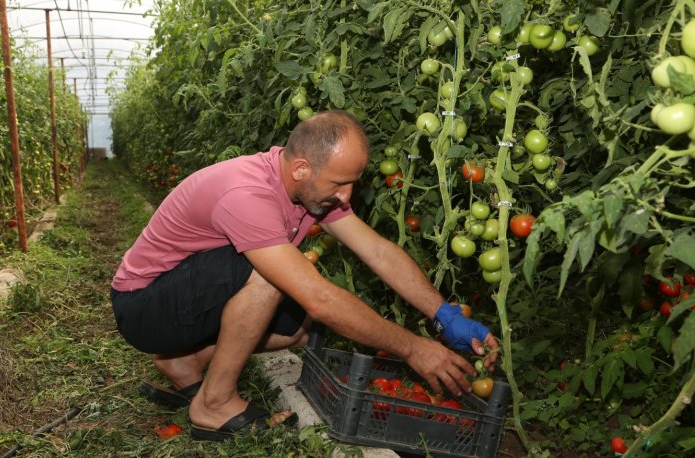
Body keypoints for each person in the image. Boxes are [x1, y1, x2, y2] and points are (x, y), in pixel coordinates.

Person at [110, 110, 499, 441]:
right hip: (144, 306)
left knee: (296, 328)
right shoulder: (247, 194)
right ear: (301, 168)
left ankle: (185, 362)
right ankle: (213, 405)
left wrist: (444, 315)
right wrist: (413, 348)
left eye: (352, 184)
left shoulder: (311, 190)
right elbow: (319, 296)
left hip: (182, 294)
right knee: (273, 278)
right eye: (339, 184)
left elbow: (377, 251)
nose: (346, 196)